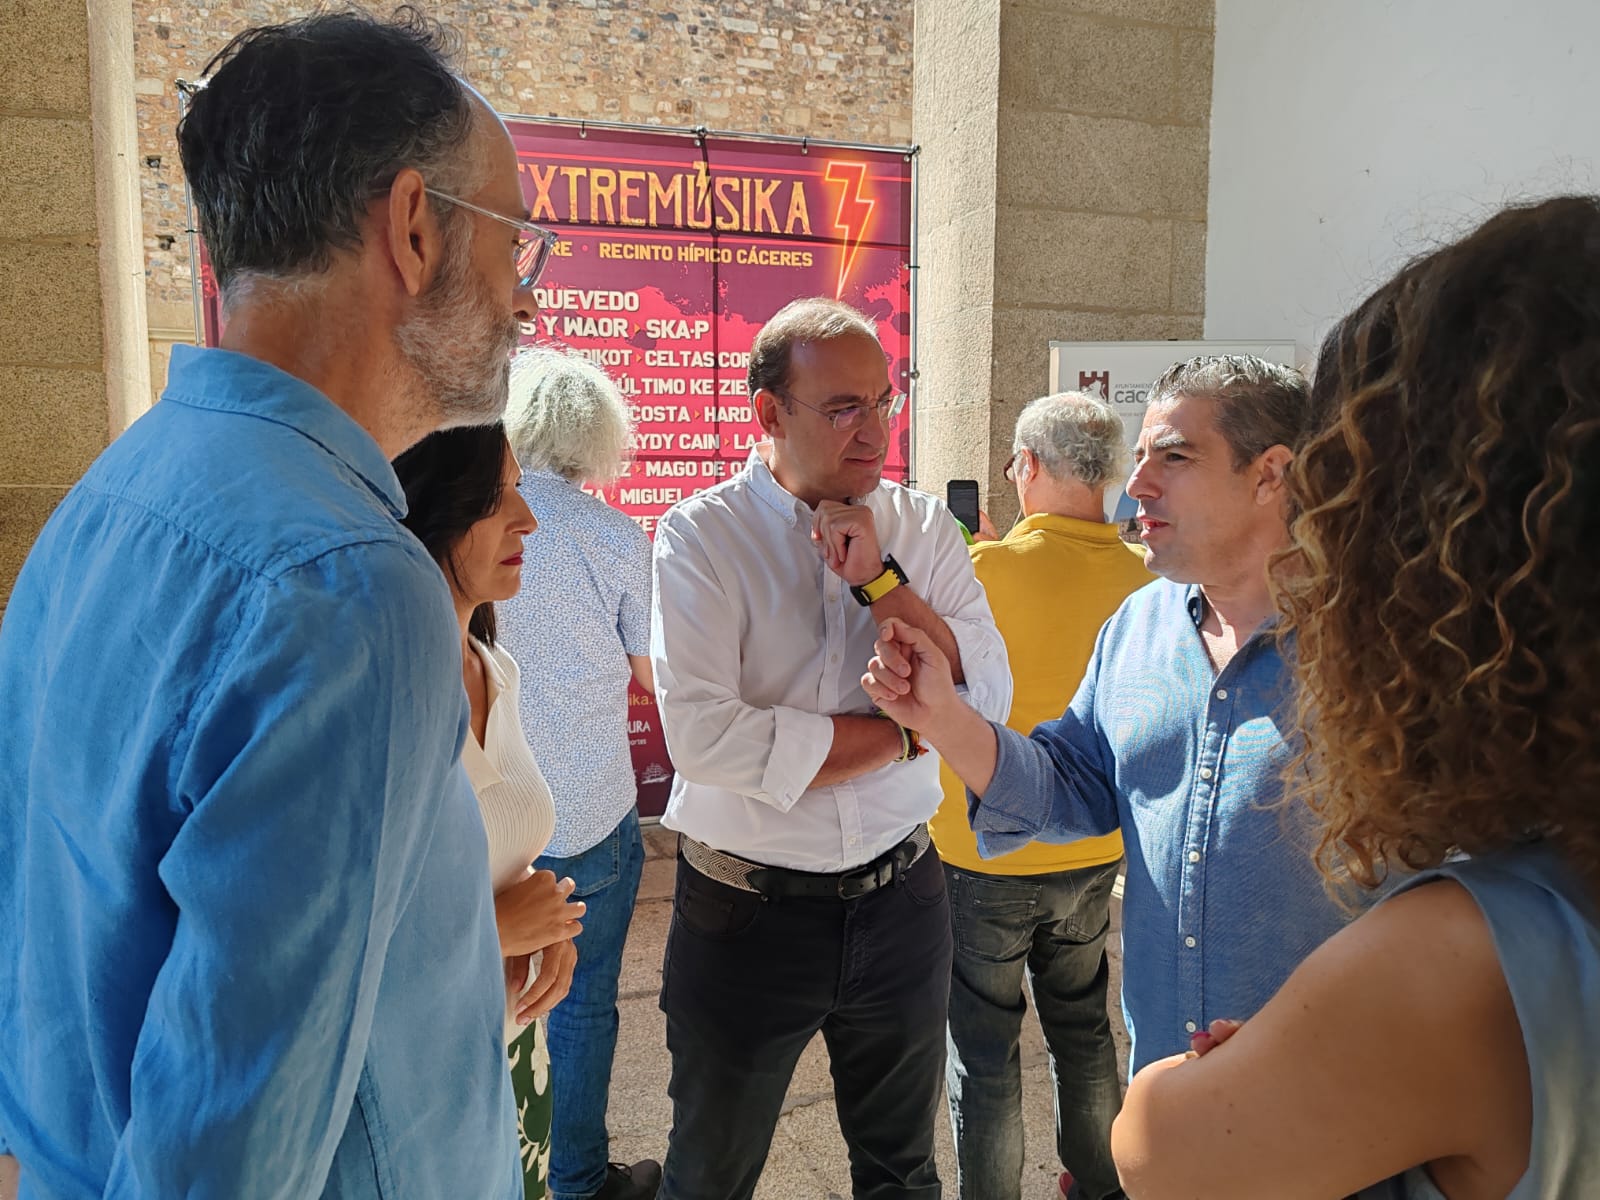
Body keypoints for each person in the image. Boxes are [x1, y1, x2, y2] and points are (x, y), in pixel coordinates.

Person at [0, 12, 545, 1197]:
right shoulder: (349, 585)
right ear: (412, 227)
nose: (526, 298)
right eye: (516, 242)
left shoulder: (112, 494)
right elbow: (230, 1157)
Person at [1110, 196, 1600, 1200]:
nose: (1137, 488)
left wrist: (1288, 1062)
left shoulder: (1467, 953)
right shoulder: (1134, 629)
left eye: (1347, 498)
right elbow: (1074, 771)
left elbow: (1160, 1149)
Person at [863, 354, 1353, 1077]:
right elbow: (1073, 786)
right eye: (1141, 454)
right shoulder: (1137, 627)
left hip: (1340, 1114)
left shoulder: (1385, 654)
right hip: (1168, 1097)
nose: (1136, 484)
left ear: (1270, 474)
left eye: (1175, 456)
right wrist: (943, 718)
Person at [651, 297, 1011, 1200]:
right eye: (843, 407)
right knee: (712, 1172)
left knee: (901, 1171)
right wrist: (905, 731)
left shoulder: (920, 528)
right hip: (746, 915)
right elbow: (706, 740)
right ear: (768, 413)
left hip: (903, 897)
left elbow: (989, 692)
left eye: (884, 401)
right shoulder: (703, 535)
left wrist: (881, 582)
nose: (874, 429)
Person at [928, 393, 1151, 1200]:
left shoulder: (981, 572)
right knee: (1083, 1027)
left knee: (983, 1049)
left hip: (980, 850)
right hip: (1095, 850)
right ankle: (1099, 1183)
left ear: (1025, 468)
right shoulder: (1151, 583)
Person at [394, 424, 586, 1199]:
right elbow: (318, 942)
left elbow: (497, 844)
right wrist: (499, 929)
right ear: (429, 507)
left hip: (509, 1050)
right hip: (415, 1080)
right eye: (494, 495)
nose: (528, 519)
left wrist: (553, 930)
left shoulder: (492, 665)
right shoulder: (387, 694)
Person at [498, 347, 662, 1200]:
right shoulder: (614, 536)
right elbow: (649, 675)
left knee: (494, 1004)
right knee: (585, 1002)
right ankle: (579, 1179)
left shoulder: (478, 521)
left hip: (491, 826)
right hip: (591, 809)